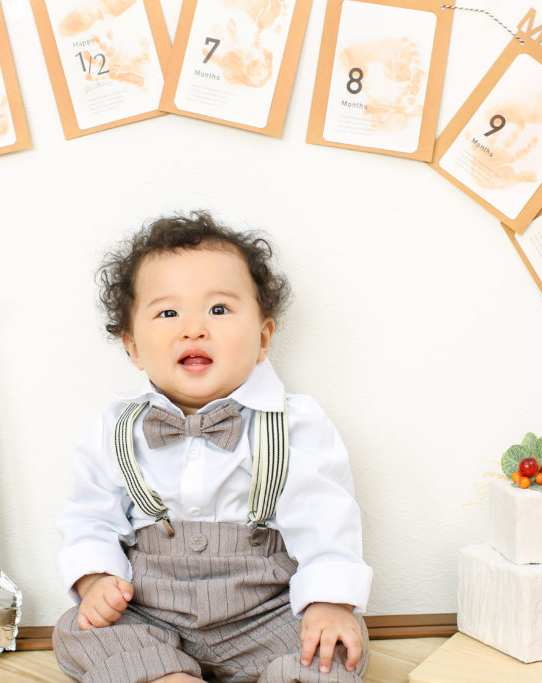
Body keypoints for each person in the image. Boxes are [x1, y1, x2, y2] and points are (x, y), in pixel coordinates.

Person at [53, 212, 372, 682]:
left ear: (263, 338)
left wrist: (329, 602)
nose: (194, 329)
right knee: (77, 630)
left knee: (334, 643)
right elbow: (89, 515)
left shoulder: (295, 423)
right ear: (133, 347)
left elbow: (327, 519)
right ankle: (165, 675)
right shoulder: (117, 427)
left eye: (219, 310)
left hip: (266, 615)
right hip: (151, 612)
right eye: (168, 313)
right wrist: (95, 577)